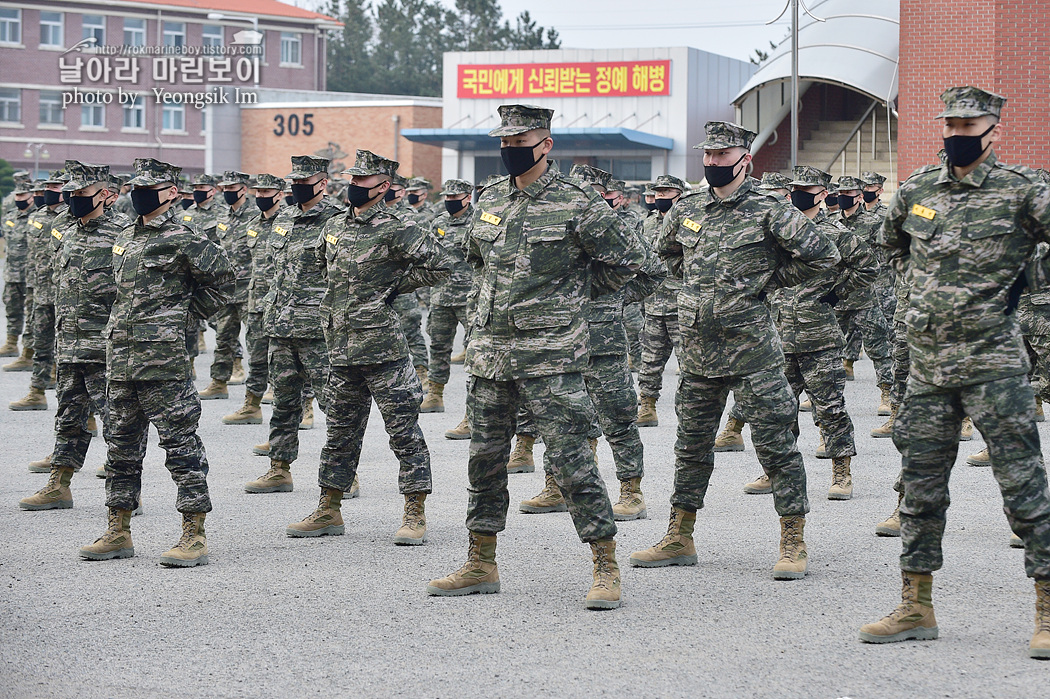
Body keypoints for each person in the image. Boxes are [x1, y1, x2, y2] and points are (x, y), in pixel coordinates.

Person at [426, 104, 653, 609]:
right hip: (490, 356)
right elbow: (476, 263)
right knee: (485, 461)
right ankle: (481, 561)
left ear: (546, 144)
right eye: (504, 143)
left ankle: (604, 564)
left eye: (520, 141)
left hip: (551, 356)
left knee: (572, 462)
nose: (510, 151)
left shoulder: (579, 203)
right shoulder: (489, 198)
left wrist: (575, 297)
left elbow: (634, 263)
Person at [859, 86, 1050, 659]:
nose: (957, 134)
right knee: (919, 489)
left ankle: (1046, 606)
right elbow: (890, 246)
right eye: (951, 124)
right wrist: (922, 294)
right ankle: (916, 604)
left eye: (969, 126)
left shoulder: (1024, 191)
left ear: (994, 129)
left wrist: (1027, 283)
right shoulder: (918, 189)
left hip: (993, 363)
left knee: (1024, 488)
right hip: (928, 367)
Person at [629, 121, 839, 580]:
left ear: (745, 160)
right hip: (698, 350)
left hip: (753, 352)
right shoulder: (688, 208)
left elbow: (822, 256)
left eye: (721, 156)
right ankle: (679, 536)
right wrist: (696, 290)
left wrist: (764, 284)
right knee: (691, 446)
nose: (711, 163)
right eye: (707, 156)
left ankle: (792, 537)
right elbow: (661, 254)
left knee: (776, 444)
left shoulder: (771, 210)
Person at [286, 149, 451, 543]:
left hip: (383, 350)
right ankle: (329, 508)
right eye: (352, 180)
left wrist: (393, 288)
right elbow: (325, 268)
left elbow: (442, 264)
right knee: (339, 432)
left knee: (403, 431)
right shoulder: (335, 225)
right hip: (340, 348)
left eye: (362, 181)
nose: (354, 186)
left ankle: (414, 511)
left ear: (383, 187)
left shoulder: (396, 227)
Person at [78, 157, 233, 567]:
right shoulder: (125, 234)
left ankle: (193, 532)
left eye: (149, 187)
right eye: (136, 186)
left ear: (171, 194)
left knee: (180, 447)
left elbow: (228, 282)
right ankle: (118, 529)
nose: (139, 193)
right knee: (120, 449)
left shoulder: (185, 237)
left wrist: (181, 315)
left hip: (163, 363)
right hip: (121, 359)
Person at [519, 164, 663, 522]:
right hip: (560, 340)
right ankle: (555, 487)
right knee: (558, 419)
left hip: (603, 342)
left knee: (618, 417)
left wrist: (615, 298)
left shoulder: (620, 228)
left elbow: (653, 271)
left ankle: (631, 491)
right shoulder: (553, 225)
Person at [739, 166, 878, 500]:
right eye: (796, 187)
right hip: (778, 336)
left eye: (807, 188)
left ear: (822, 194)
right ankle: (775, 471)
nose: (800, 193)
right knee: (776, 412)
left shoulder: (835, 232)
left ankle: (841, 472)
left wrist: (837, 293)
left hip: (820, 337)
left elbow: (868, 265)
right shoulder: (778, 228)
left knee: (830, 408)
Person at [19, 162, 122, 511]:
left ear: (104, 194)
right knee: (68, 417)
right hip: (70, 343)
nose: (73, 199)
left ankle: (125, 492)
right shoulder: (66, 230)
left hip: (106, 346)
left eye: (81, 193)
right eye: (71, 193)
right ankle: (59, 485)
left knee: (118, 423)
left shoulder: (124, 233)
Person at [244, 156, 343, 494]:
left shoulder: (337, 221)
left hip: (317, 330)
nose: (298, 187)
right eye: (295, 181)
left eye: (306, 181)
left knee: (335, 405)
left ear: (323, 183)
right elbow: (275, 270)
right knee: (284, 402)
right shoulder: (283, 218)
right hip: (280, 326)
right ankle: (279, 468)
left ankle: (345, 474)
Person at [222, 174, 285, 426]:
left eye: (266, 192)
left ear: (280, 194)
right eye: (258, 192)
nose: (260, 197)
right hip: (256, 300)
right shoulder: (252, 223)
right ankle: (252, 405)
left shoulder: (291, 222)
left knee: (287, 361)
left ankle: (302, 407)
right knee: (257, 357)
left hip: (283, 303)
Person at [419, 179, 475, 441]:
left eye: (456, 195)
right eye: (447, 195)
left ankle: (474, 410)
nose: (450, 199)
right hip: (441, 295)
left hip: (469, 297)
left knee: (475, 353)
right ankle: (435, 394)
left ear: (468, 197)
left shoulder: (480, 221)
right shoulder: (439, 222)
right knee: (438, 347)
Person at [10, 170, 70, 411]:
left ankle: (78, 410)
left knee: (70, 351)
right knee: (41, 342)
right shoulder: (39, 215)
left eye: (55, 187)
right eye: (48, 186)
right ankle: (37, 392)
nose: (48, 191)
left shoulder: (73, 217)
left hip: (66, 293)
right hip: (40, 289)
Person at [636, 174, 688, 427]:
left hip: (682, 304)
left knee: (689, 363)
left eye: (666, 192)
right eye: (658, 193)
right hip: (654, 303)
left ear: (678, 194)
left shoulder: (689, 222)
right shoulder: (646, 224)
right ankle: (647, 406)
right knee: (650, 360)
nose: (660, 197)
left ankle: (690, 413)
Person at [198, 171, 253, 401]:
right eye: (225, 189)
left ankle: (262, 391)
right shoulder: (224, 217)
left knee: (258, 342)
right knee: (223, 339)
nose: (228, 192)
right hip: (227, 288)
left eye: (233, 188)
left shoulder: (256, 216)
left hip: (250, 289)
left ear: (243, 189)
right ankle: (219, 382)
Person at [1, 177, 36, 363]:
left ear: (31, 197)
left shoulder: (37, 218)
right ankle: (11, 343)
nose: (19, 197)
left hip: (30, 274)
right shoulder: (9, 217)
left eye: (23, 194)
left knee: (32, 314)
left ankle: (29, 352)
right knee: (12, 309)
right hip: (11, 273)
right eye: (18, 194)